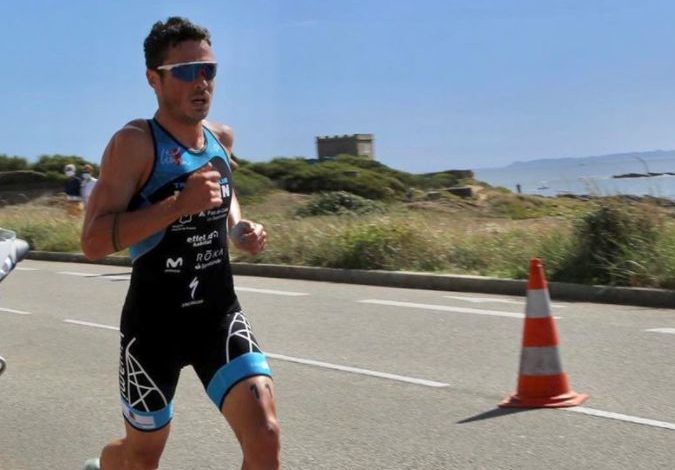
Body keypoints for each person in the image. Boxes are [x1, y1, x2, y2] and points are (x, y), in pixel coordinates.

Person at [80, 17, 280, 470]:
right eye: (187, 70)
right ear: (154, 79)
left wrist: (238, 228)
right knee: (140, 456)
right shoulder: (134, 145)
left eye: (209, 69)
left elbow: (223, 192)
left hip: (217, 314)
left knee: (265, 436)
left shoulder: (220, 139)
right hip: (153, 329)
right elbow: (92, 242)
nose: (202, 81)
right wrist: (175, 206)